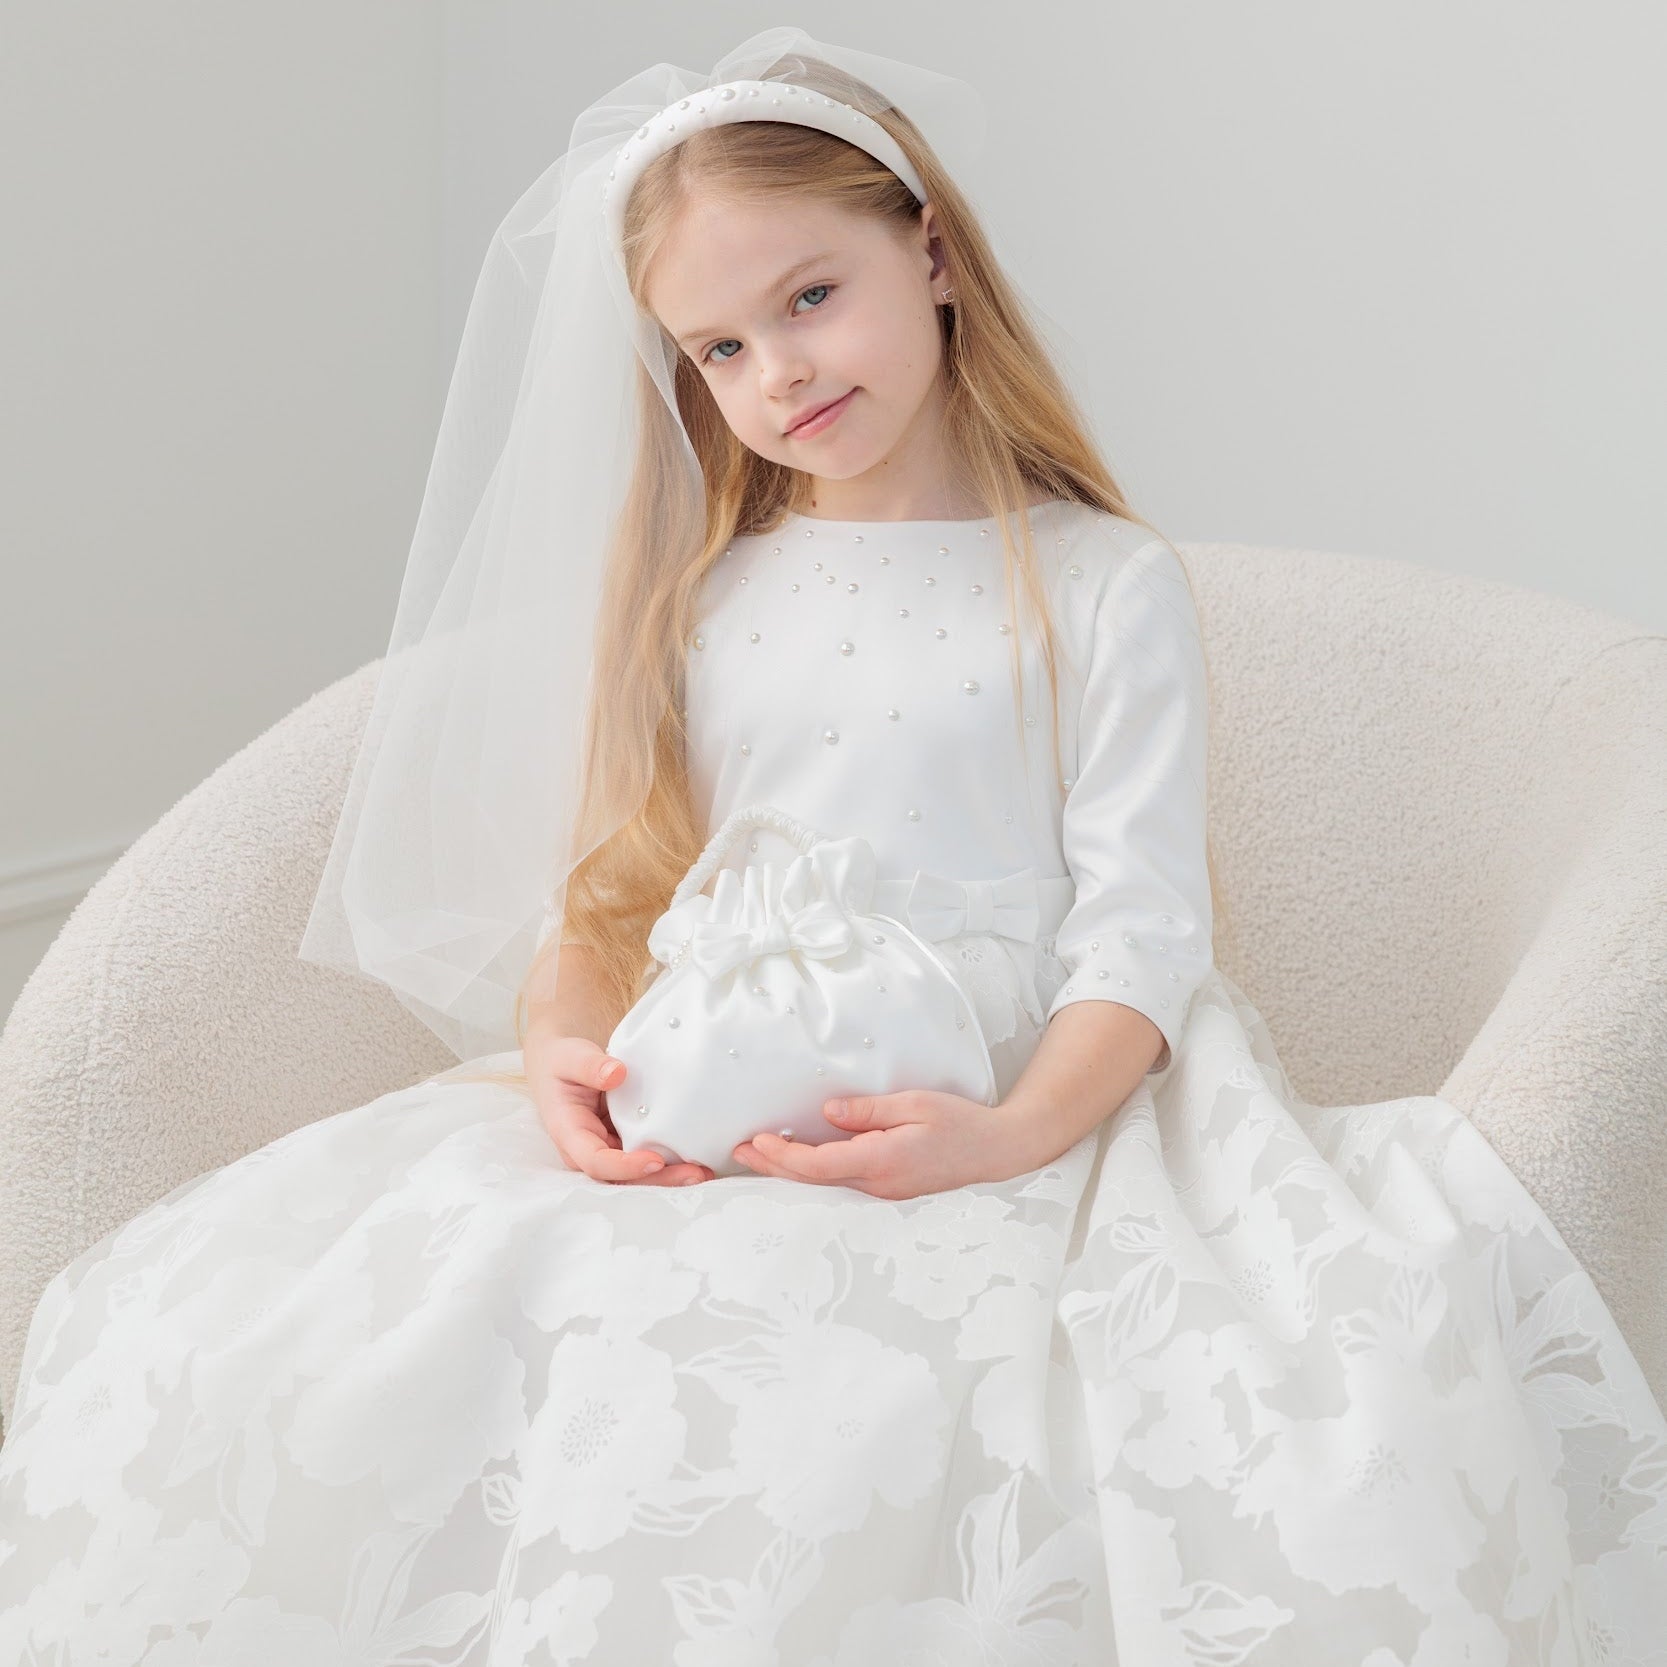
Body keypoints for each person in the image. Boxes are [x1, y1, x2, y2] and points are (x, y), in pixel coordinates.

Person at [2, 26, 1664, 1664]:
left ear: (929, 250)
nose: (779, 373)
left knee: (935, 1425)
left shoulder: (1096, 582)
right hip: (707, 1104)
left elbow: (1142, 933)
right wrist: (562, 1041)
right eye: (719, 349)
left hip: (1012, 1097)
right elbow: (614, 891)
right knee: (421, 1347)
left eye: (808, 297)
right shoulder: (704, 596)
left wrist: (1005, 1136)